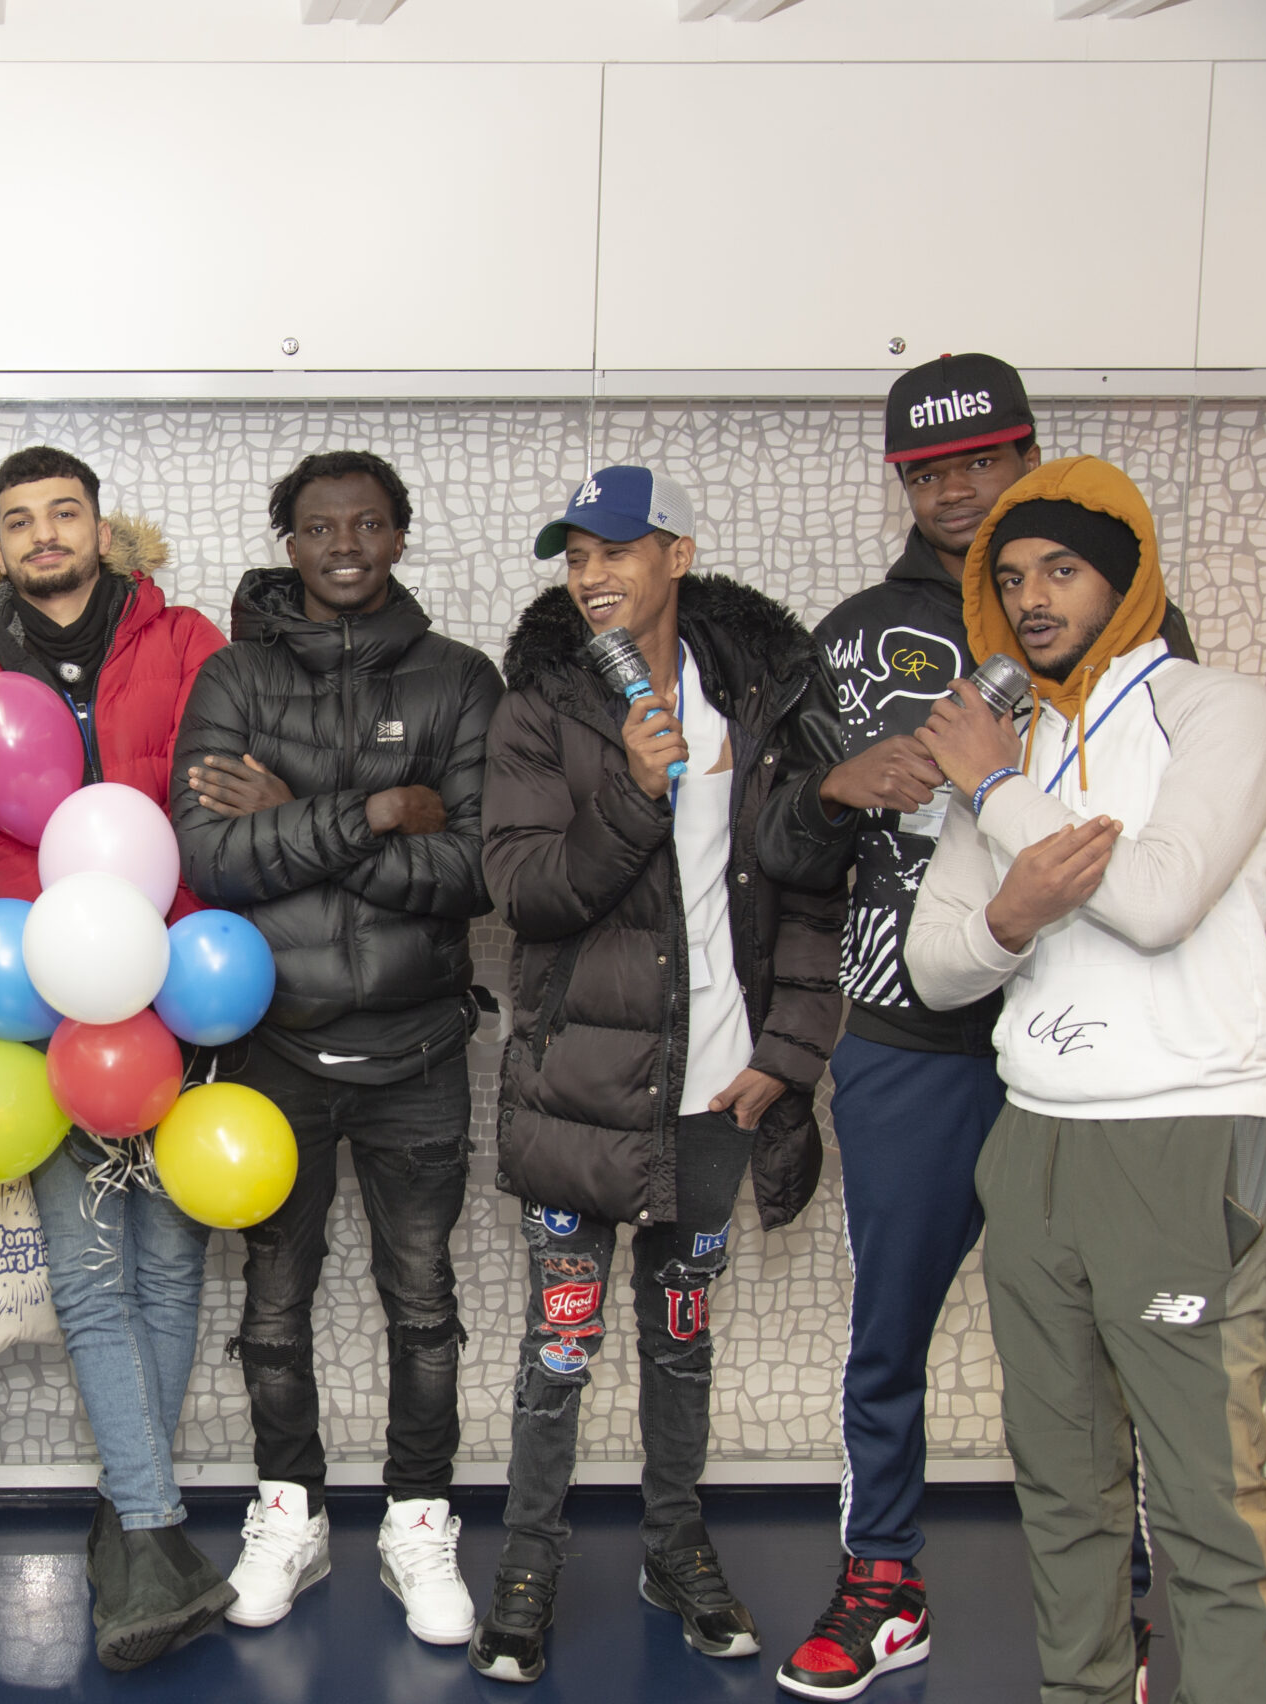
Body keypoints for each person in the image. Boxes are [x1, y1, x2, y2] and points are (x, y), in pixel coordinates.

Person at [765, 356, 1167, 1701]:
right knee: (888, 1330)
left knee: (1106, 1333)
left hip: (1091, 1029)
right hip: (906, 1037)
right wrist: (835, 786)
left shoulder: (1128, 622)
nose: (956, 491)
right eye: (928, 470)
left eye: (982, 462)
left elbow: (1174, 836)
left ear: (1028, 456)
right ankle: (882, 1584)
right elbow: (776, 845)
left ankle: (1120, 1600)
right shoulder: (855, 634)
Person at [906, 455, 1266, 1704]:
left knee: (1203, 1497)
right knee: (1061, 1483)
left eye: (1062, 570)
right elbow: (936, 966)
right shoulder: (1009, 742)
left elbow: (1157, 899)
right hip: (1033, 1143)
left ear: (1122, 581)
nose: (1032, 599)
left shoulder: (1215, 708)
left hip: (1183, 1136)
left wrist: (997, 791)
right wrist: (1011, 915)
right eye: (1014, 577)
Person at [474, 465, 845, 1685]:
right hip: (578, 1087)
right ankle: (527, 1563)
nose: (591, 576)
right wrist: (635, 799)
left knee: (681, 1337)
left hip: (719, 1092)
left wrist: (787, 1054)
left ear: (675, 556)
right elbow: (523, 891)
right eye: (575, 556)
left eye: (616, 551)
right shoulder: (539, 707)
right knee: (560, 1343)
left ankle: (675, 1547)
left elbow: (808, 893)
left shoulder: (763, 702)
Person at [170, 450, 503, 1648]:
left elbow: (473, 869)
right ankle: (289, 1514)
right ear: (291, 544)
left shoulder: (461, 680)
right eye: (321, 527)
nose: (345, 545)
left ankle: (418, 1519)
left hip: (417, 1048)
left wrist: (295, 819)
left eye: (368, 524)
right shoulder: (234, 676)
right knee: (273, 1302)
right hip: (274, 1050)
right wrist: (371, 812)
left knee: (421, 1298)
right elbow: (211, 860)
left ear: (399, 537)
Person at [0, 445, 233, 1670]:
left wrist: (155, 932)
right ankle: (150, 1530)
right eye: (20, 520)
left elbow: (215, 800)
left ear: (103, 529)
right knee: (94, 1273)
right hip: (46, 993)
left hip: (186, 981)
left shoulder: (187, 638)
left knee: (170, 1261)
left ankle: (129, 1522)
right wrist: (75, 939)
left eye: (65, 513)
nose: (44, 534)